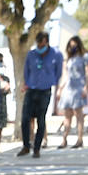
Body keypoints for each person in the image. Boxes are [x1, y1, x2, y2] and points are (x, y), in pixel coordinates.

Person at [18, 30, 61, 158]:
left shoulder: (56, 54)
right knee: (25, 118)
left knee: (40, 119)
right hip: (31, 89)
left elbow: (58, 72)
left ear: (46, 42)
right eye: (38, 44)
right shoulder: (31, 54)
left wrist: (54, 83)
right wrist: (26, 83)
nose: (40, 47)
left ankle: (37, 148)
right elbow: (26, 70)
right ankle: (26, 145)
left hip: (45, 91)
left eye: (42, 44)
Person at [54, 35, 88, 149]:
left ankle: (80, 139)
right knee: (67, 115)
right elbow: (65, 75)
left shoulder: (85, 56)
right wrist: (60, 89)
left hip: (79, 87)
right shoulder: (68, 59)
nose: (72, 47)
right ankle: (64, 139)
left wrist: (86, 87)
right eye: (70, 45)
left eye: (74, 45)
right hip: (68, 89)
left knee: (79, 115)